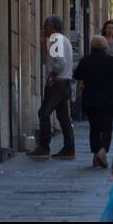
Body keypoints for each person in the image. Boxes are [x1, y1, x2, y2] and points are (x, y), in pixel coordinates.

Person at [74, 35, 113, 168]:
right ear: (104, 46)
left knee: (94, 128)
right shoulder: (112, 60)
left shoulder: (86, 60)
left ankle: (96, 154)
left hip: (91, 99)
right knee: (107, 128)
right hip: (109, 99)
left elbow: (77, 75)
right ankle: (103, 151)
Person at [30, 16, 75, 159]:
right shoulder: (64, 40)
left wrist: (51, 76)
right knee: (63, 116)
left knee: (44, 112)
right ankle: (69, 148)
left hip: (57, 83)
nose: (44, 30)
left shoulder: (55, 39)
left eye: (46, 27)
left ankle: (44, 146)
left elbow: (59, 63)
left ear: (54, 27)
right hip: (65, 82)